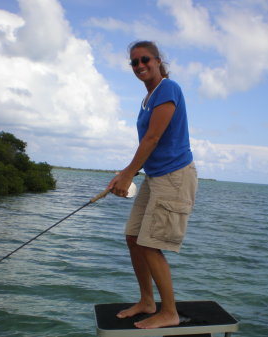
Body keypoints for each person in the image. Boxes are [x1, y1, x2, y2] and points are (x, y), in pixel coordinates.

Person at [107, 40, 197, 329]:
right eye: (134, 62)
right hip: (154, 175)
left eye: (145, 59)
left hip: (174, 176)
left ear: (158, 61)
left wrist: (128, 174)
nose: (140, 65)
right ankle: (147, 301)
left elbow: (152, 139)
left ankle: (169, 311)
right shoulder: (147, 99)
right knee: (134, 237)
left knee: (150, 243)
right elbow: (147, 144)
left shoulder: (168, 89)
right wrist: (125, 172)